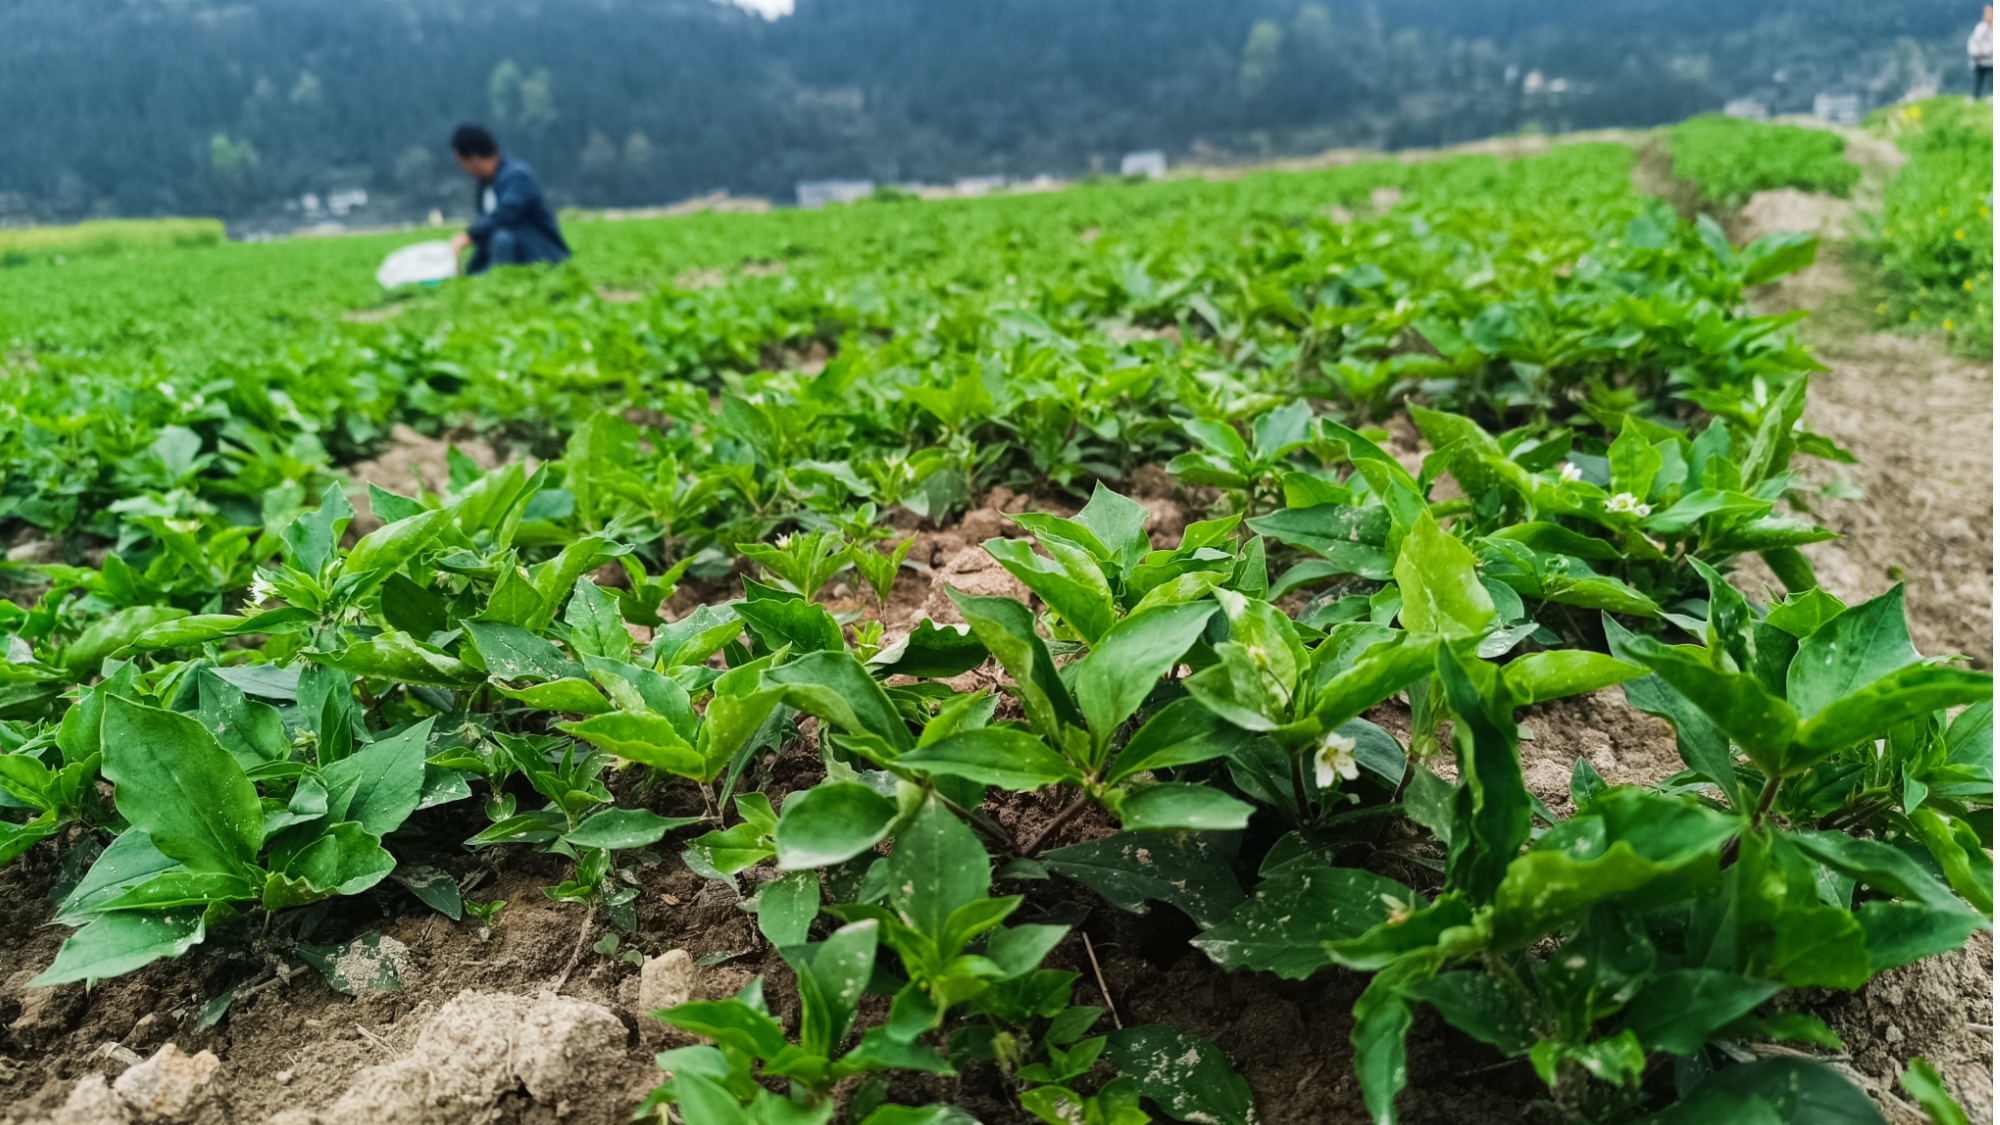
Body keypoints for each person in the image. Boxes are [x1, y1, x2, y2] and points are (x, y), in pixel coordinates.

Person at [447, 124, 570, 274]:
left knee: (502, 237)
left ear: (474, 158)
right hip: (513, 255)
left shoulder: (517, 176)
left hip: (542, 255)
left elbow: (507, 213)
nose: (465, 170)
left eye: (463, 163)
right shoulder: (485, 185)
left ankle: (497, 278)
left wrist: (469, 236)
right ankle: (488, 275)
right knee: (488, 248)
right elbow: (486, 228)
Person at [1971, 6, 1993, 101]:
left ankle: (1992, 95)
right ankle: (1976, 97)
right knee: (1978, 80)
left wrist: (1985, 52)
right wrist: (1976, 52)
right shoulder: (1980, 27)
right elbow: (1973, 41)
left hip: (1991, 60)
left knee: (1992, 79)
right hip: (1980, 60)